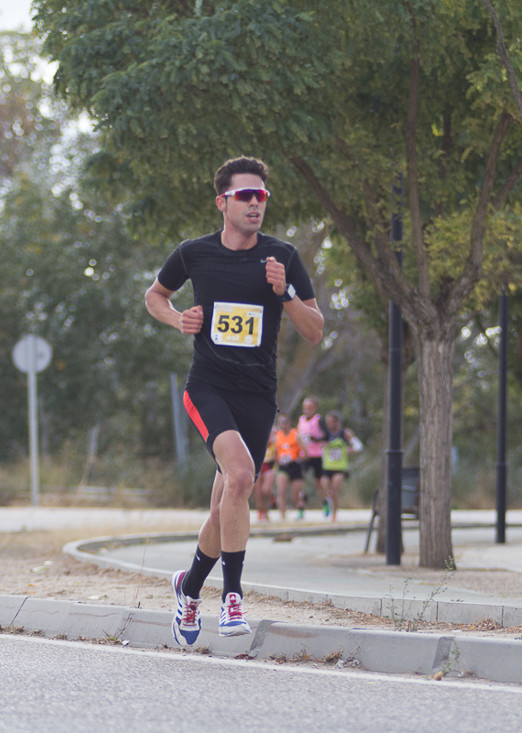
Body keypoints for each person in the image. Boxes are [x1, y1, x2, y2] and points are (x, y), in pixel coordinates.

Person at [144, 155, 324, 646]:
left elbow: (314, 330)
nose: (254, 204)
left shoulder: (282, 257)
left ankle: (189, 587)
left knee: (228, 499)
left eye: (260, 196)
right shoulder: (193, 253)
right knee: (242, 476)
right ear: (222, 201)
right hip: (207, 387)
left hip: (257, 396)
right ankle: (233, 597)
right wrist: (177, 318)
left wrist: (284, 291)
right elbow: (155, 296)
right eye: (244, 195)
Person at [318, 411, 363, 522]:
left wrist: (349, 450)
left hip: (339, 467)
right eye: (327, 422)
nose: (329, 425)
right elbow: (318, 445)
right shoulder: (325, 433)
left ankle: (334, 514)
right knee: (324, 488)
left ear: (337, 422)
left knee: (333, 491)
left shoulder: (344, 433)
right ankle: (326, 504)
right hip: (327, 466)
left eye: (331, 422)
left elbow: (358, 446)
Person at [273, 413, 308, 520]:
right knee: (281, 491)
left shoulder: (296, 435)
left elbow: (306, 453)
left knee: (295, 494)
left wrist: (298, 459)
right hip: (283, 467)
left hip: (295, 466)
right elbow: (275, 453)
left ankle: (300, 510)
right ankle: (283, 516)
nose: (282, 425)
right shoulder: (277, 437)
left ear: (289, 423)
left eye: (284, 423)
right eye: (280, 423)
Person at [296, 395, 327, 513]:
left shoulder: (318, 420)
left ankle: (325, 502)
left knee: (318, 482)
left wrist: (315, 439)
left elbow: (326, 436)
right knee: (300, 480)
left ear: (315, 408)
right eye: (305, 407)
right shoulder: (301, 420)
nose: (307, 409)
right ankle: (300, 506)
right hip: (305, 455)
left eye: (310, 407)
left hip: (316, 455)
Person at [252, 427, 277, 522]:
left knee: (265, 489)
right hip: (258, 465)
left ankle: (272, 498)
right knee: (257, 491)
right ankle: (261, 512)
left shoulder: (273, 434)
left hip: (269, 466)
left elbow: (276, 450)